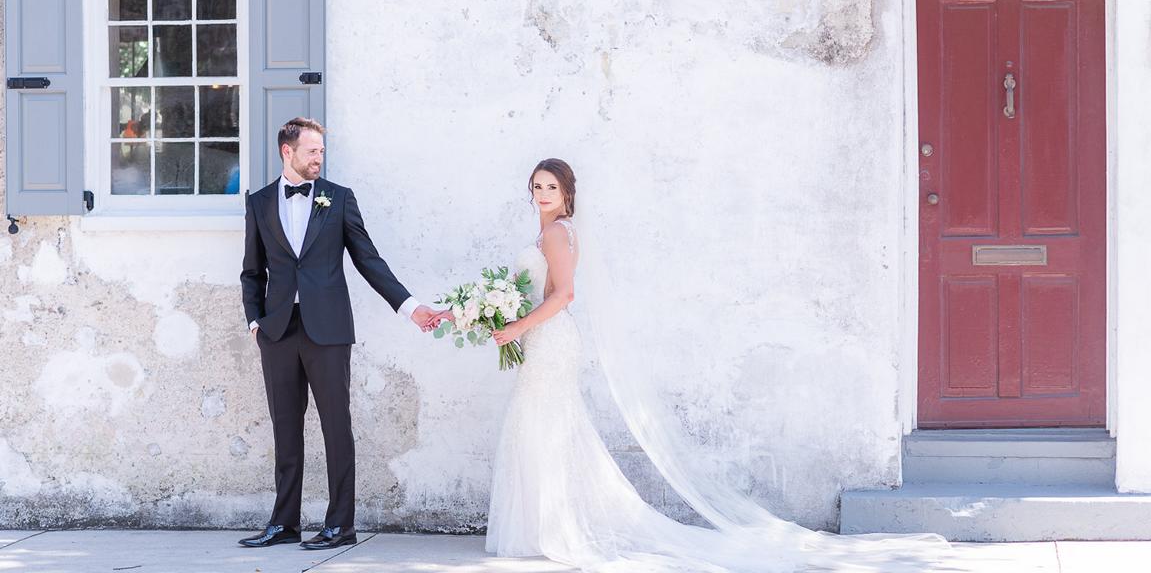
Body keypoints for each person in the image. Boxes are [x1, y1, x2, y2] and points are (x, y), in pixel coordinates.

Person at [485, 159, 947, 572]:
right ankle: (542, 525)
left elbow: (564, 296)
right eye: (537, 186)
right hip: (542, 339)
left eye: (551, 187)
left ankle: (553, 527)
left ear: (567, 194)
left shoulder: (555, 232)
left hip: (549, 338)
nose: (543, 194)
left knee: (545, 425)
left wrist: (515, 327)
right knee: (543, 426)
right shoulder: (553, 233)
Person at [238, 117, 445, 551]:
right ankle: (284, 522)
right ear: (286, 152)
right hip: (277, 331)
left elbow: (369, 260)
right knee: (285, 429)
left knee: (336, 426)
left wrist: (410, 307)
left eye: (321, 151)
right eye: (311, 150)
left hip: (328, 331)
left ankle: (340, 524)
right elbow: (252, 270)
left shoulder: (339, 199)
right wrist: (255, 320)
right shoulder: (257, 203)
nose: (319, 157)